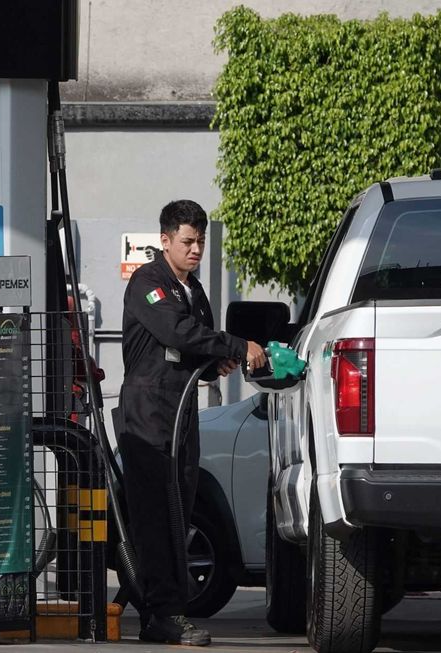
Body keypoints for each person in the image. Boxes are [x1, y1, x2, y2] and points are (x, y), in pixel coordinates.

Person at [117, 199, 266, 646]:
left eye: (201, 240)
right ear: (165, 241)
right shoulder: (148, 283)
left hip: (181, 413)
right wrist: (237, 346)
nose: (196, 248)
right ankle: (160, 614)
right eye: (188, 241)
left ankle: (165, 611)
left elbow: (195, 341)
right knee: (156, 516)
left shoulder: (193, 289)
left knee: (179, 513)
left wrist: (217, 358)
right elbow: (176, 332)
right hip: (147, 415)